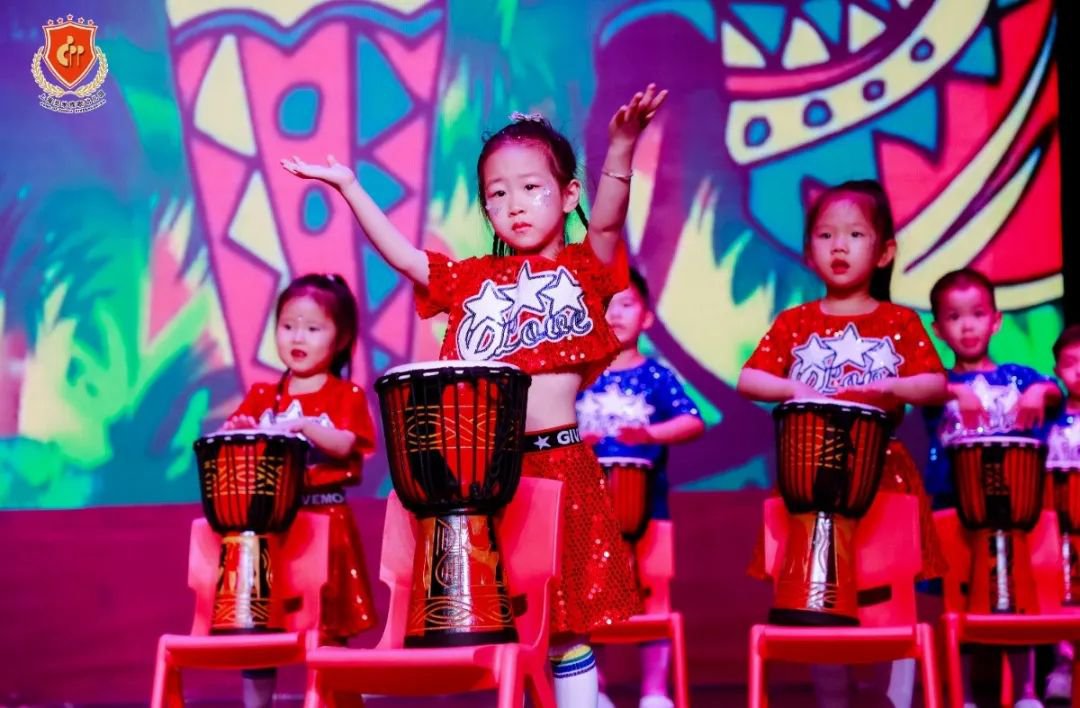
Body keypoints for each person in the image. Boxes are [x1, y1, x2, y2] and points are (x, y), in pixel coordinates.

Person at [281, 83, 667, 708]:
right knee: (502, 621)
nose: (515, 205)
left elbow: (609, 221)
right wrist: (350, 187)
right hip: (489, 480)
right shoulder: (472, 279)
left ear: (569, 194)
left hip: (563, 467)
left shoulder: (582, 269)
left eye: (532, 187)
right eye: (498, 194)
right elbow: (406, 259)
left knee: (567, 627)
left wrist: (623, 143)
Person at [737, 179, 948, 708]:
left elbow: (934, 385)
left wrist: (892, 386)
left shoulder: (899, 321)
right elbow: (749, 379)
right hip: (812, 481)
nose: (839, 245)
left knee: (890, 592)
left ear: (885, 252)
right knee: (817, 595)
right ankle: (832, 700)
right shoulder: (796, 322)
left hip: (884, 477)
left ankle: (895, 699)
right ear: (809, 252)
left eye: (855, 234)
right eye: (826, 234)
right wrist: (794, 388)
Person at [220, 273, 378, 708]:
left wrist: (305, 425)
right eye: (288, 325)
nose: (297, 337)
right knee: (258, 629)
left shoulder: (345, 395)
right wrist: (241, 428)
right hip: (273, 529)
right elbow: (236, 441)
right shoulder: (262, 395)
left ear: (340, 338)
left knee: (329, 632)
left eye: (313, 327)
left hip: (326, 523)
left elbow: (345, 444)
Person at [922, 268, 1061, 708]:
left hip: (1015, 511)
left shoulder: (1018, 376)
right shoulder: (936, 381)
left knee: (1020, 598)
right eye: (955, 317)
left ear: (996, 321)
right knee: (958, 601)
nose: (967, 326)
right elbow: (922, 390)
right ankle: (962, 695)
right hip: (954, 507)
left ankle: (1025, 692)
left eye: (978, 314)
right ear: (938, 329)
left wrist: (1039, 392)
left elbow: (1054, 391)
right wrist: (953, 392)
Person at [577, 267, 705, 708]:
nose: (615, 314)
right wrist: (577, 440)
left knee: (654, 597)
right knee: (590, 600)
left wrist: (649, 435)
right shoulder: (579, 375)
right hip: (587, 512)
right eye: (606, 305)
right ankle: (594, 690)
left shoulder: (656, 375)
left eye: (627, 304)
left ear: (647, 317)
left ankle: (654, 691)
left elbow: (691, 421)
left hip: (650, 508)